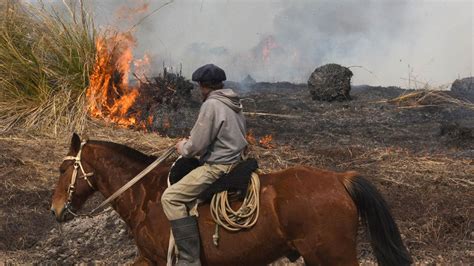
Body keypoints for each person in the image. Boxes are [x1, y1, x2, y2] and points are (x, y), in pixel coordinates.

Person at [161, 64, 248, 265]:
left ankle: (189, 259)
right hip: (237, 161)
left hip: (219, 166)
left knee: (171, 198)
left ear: (202, 86)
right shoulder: (233, 102)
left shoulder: (211, 105)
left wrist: (181, 146)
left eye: (199, 87)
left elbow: (195, 147)